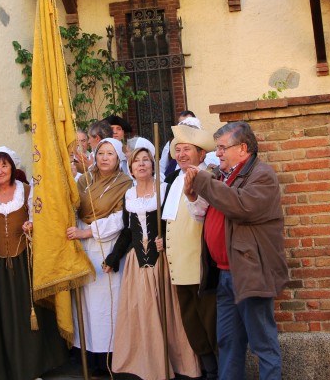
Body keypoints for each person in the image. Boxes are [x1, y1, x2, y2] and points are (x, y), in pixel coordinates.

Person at [187, 121, 288, 380]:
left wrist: (204, 182)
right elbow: (207, 215)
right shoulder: (223, 176)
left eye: (222, 148)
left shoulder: (261, 175)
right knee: (228, 343)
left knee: (262, 344)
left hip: (249, 272)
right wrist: (193, 193)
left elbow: (242, 207)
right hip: (224, 275)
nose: (217, 153)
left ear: (242, 148)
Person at [104, 147, 201, 380]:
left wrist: (165, 240)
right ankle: (146, 364)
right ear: (131, 168)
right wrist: (113, 258)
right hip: (137, 264)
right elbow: (128, 232)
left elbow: (174, 221)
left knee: (169, 312)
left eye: (146, 160)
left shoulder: (165, 190)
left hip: (162, 263)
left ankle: (179, 365)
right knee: (142, 312)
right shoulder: (129, 195)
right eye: (137, 161)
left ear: (153, 165)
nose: (141, 164)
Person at [0, 147, 68, 380]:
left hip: (24, 263)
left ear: (13, 168)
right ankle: (2, 368)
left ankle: (31, 367)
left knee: (28, 315)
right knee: (0, 317)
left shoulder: (26, 191)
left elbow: (44, 221)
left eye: (4, 165)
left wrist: (31, 225)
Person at [156, 122, 218, 380]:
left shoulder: (208, 177)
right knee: (191, 320)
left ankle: (222, 369)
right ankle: (208, 369)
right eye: (177, 149)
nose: (181, 154)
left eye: (187, 149)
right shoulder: (173, 180)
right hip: (178, 264)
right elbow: (172, 217)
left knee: (210, 319)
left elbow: (203, 216)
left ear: (201, 154)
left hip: (201, 263)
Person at [68, 138, 132, 375]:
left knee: (108, 306)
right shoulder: (84, 179)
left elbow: (120, 220)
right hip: (82, 247)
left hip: (107, 246)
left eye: (110, 154)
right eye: (100, 153)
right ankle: (89, 355)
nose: (104, 158)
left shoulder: (126, 183)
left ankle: (112, 356)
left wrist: (88, 231)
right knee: (86, 307)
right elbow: (73, 207)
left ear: (118, 158)